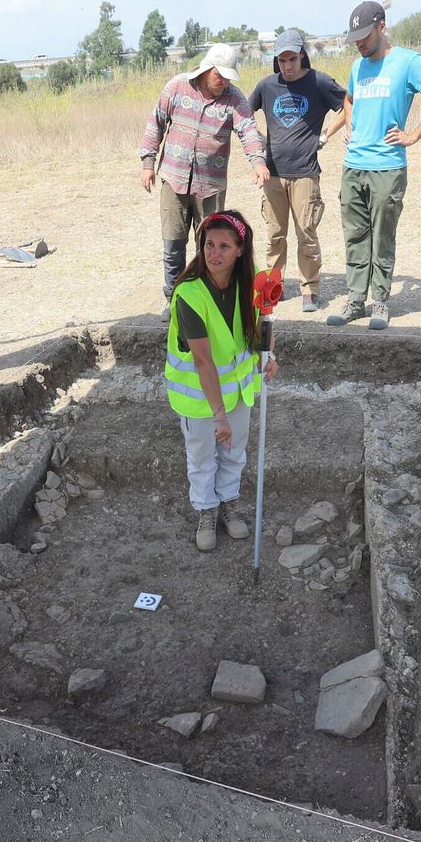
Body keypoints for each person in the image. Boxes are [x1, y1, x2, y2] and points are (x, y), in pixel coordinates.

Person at [331, 1, 421, 330]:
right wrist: (349, 126)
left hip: (387, 166)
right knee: (355, 236)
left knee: (382, 236)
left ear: (382, 27)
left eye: (364, 35)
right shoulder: (358, 67)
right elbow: (349, 99)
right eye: (354, 37)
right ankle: (355, 299)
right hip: (353, 164)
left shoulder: (408, 62)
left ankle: (380, 301)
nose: (359, 42)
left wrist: (414, 134)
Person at [165, 211, 279, 551]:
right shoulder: (189, 294)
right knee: (202, 457)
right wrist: (219, 418)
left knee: (234, 454)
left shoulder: (255, 281)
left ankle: (228, 503)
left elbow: (264, 326)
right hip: (199, 397)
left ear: (241, 250)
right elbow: (203, 361)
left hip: (240, 390)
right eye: (208, 244)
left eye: (224, 246)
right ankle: (206, 510)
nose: (214, 253)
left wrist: (268, 356)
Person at [138, 43, 269, 314]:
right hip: (173, 179)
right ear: (207, 68)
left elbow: (248, 130)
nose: (223, 81)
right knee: (173, 244)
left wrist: (258, 162)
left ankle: (206, 301)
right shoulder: (176, 87)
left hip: (210, 186)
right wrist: (147, 162)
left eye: (228, 77)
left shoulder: (234, 99)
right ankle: (173, 300)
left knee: (210, 248)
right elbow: (156, 123)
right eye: (219, 75)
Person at [248, 29, 347, 313]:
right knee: (275, 234)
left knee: (306, 231)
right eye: (282, 60)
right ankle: (271, 286)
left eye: (292, 59)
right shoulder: (267, 86)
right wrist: (256, 142)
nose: (288, 66)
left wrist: (326, 135)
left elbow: (347, 104)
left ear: (302, 55)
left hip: (305, 172)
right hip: (273, 173)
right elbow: (243, 113)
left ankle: (310, 289)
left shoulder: (319, 82)